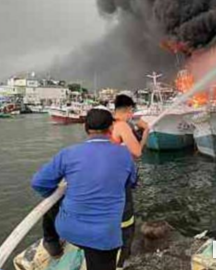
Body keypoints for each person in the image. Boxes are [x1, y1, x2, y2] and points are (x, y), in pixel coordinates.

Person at [32, 107, 137, 270]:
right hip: (104, 237)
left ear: (85, 128)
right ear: (111, 128)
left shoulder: (68, 153)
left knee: (54, 198)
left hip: (68, 230)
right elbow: (132, 182)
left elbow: (39, 183)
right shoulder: (124, 155)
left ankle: (52, 244)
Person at [111, 94, 149, 268]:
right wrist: (146, 130)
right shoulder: (122, 125)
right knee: (126, 223)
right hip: (119, 179)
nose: (132, 115)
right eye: (131, 111)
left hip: (107, 178)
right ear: (128, 110)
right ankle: (120, 262)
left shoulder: (109, 124)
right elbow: (137, 153)